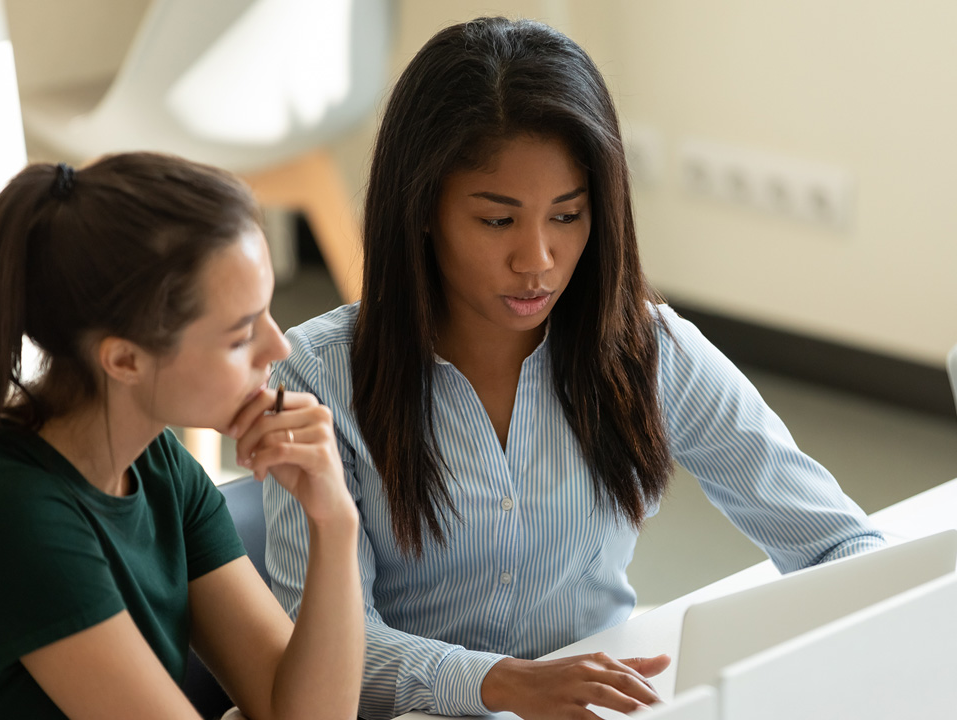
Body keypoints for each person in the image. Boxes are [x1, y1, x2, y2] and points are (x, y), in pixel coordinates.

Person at [263, 16, 886, 720]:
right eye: (497, 221)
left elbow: (842, 543)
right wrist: (501, 682)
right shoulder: (317, 374)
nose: (537, 260)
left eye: (567, 216)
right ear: (423, 209)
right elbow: (328, 652)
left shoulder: (645, 350)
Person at [0, 152, 363, 720]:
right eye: (241, 336)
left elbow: (303, 714)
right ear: (125, 360)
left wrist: (335, 522)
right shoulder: (22, 512)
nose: (279, 347)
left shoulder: (157, 463)